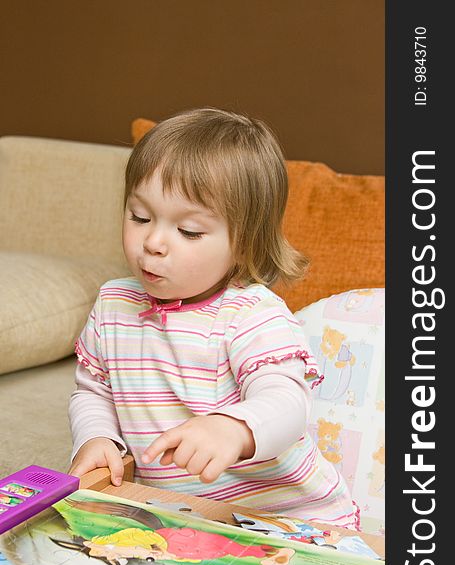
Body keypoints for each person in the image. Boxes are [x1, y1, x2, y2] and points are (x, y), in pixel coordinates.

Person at [68, 107, 358, 529]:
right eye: (140, 216)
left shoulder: (251, 315)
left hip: (293, 521)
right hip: (179, 519)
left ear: (244, 245)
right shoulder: (113, 305)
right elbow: (93, 391)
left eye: (188, 231)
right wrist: (95, 436)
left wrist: (234, 429)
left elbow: (287, 403)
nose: (152, 242)